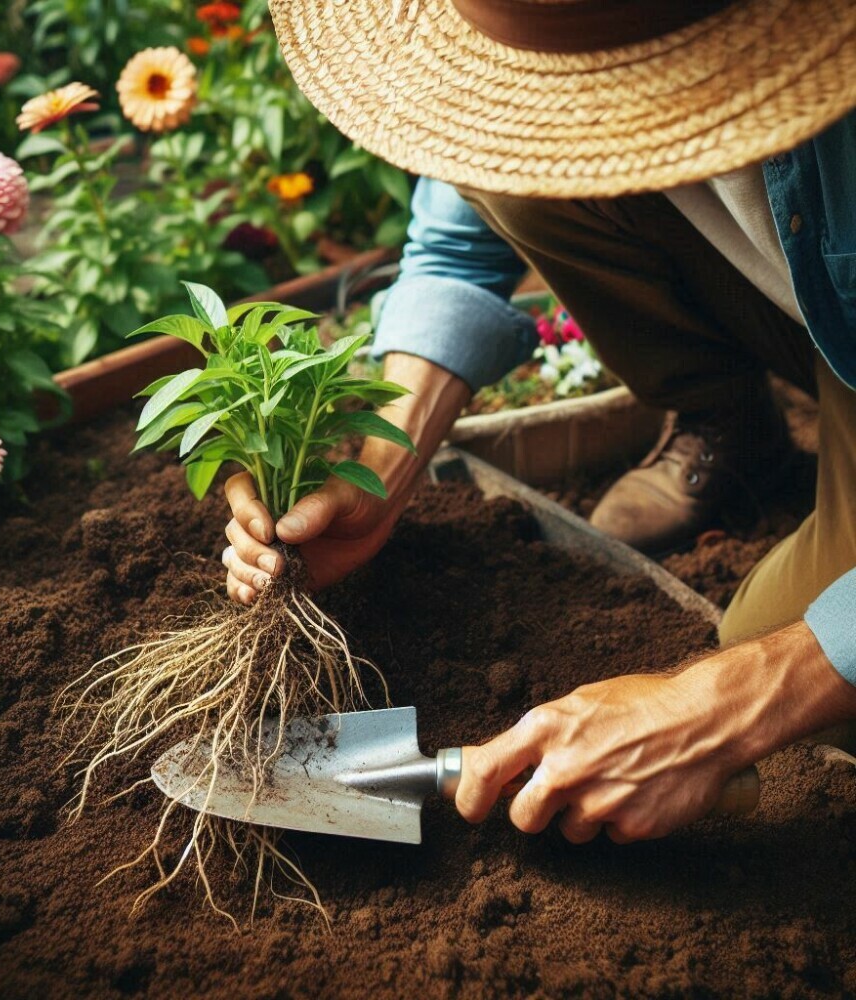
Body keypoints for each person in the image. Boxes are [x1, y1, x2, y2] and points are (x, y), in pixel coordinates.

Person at [222, 0, 856, 845]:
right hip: (824, 308)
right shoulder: (536, 33)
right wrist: (384, 468)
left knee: (777, 667)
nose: (562, 100)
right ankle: (732, 425)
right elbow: (454, 246)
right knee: (500, 172)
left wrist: (723, 707)